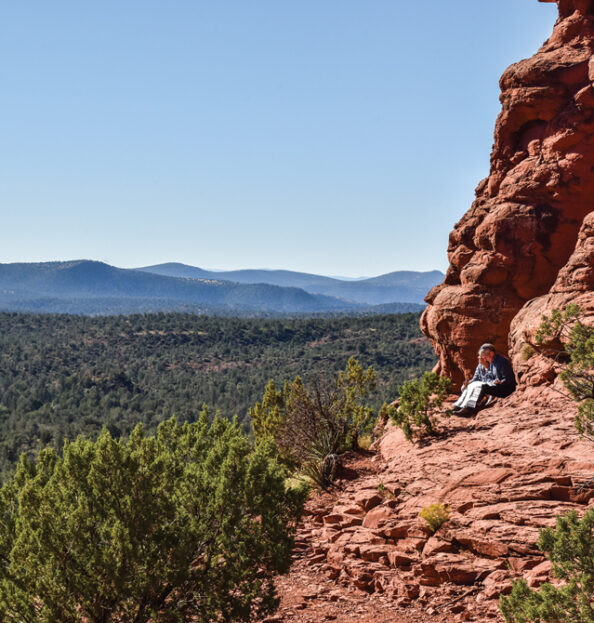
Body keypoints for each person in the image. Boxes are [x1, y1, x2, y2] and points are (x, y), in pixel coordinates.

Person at [453, 343, 516, 416]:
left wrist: (501, 382)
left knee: (482, 387)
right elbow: (490, 377)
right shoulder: (492, 362)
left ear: (491, 353)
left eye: (485, 357)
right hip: (497, 386)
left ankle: (468, 409)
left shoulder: (502, 361)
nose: (485, 359)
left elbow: (509, 378)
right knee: (473, 386)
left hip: (505, 389)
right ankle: (459, 406)